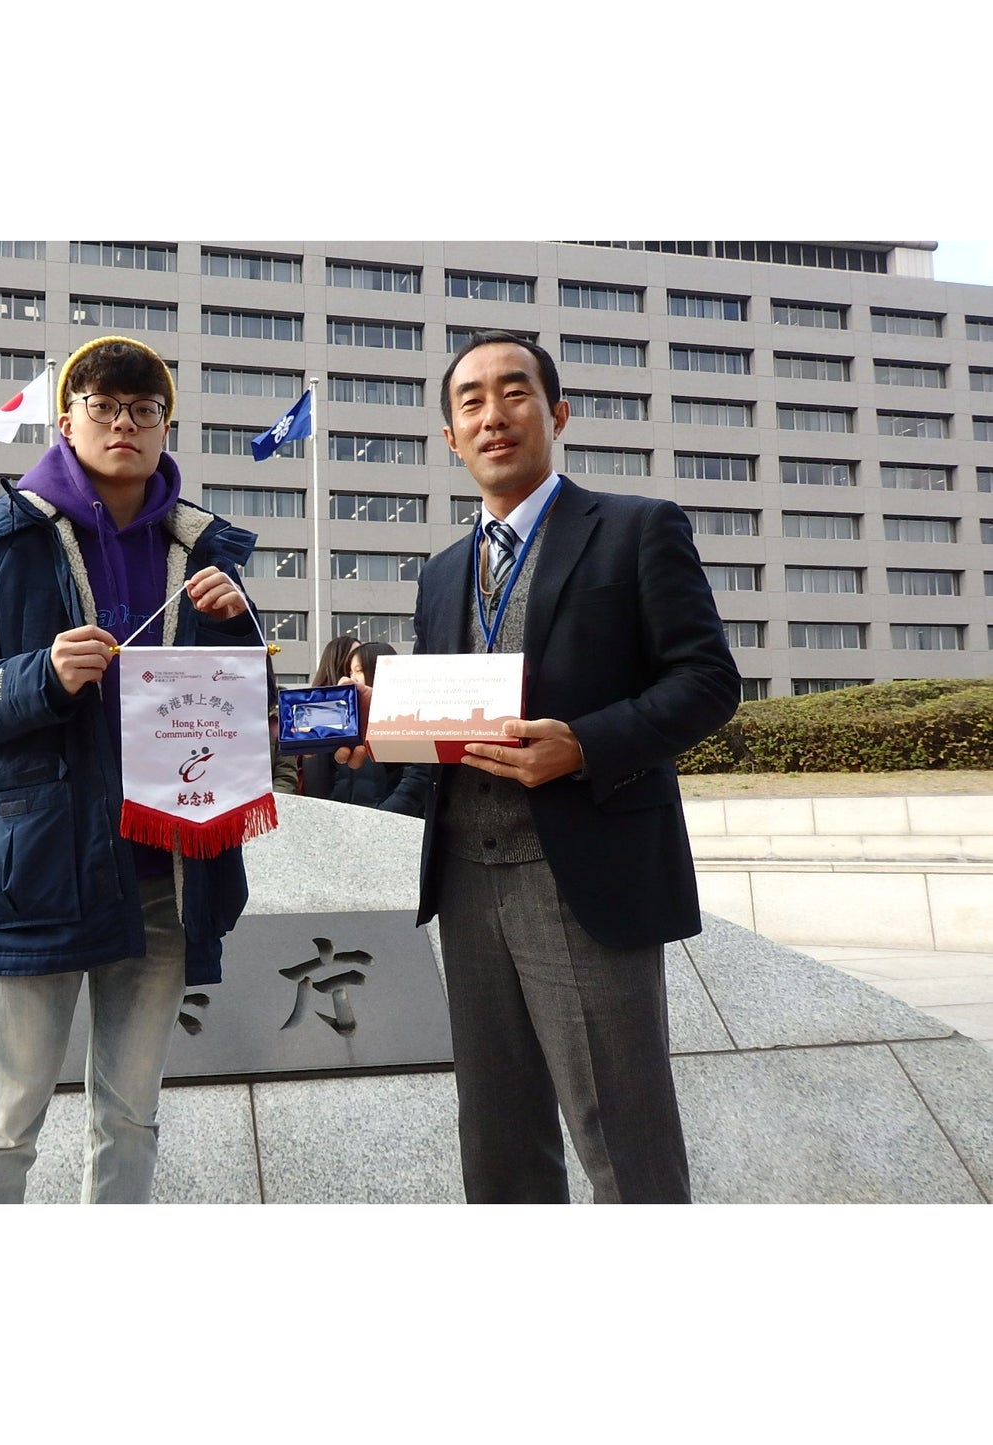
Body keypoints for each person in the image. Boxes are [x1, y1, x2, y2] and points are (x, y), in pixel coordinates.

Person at [341, 331, 741, 1204]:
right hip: (464, 876)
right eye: (470, 402)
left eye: (513, 392)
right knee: (498, 1141)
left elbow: (708, 682)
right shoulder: (441, 572)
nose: (492, 415)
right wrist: (388, 732)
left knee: (623, 1141)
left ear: (556, 413)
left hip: (582, 873)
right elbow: (449, 712)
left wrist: (585, 743)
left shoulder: (636, 528)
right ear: (450, 437)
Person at [0, 334, 259, 1205]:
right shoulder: (5, 540)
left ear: (166, 426)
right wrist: (40, 674)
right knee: (3, 1119)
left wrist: (238, 630)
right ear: (66, 422)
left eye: (143, 410)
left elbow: (243, 718)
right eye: (102, 407)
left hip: (167, 870)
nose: (123, 424)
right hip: (40, 865)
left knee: (131, 1116)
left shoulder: (205, 552)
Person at [302, 642, 427, 815]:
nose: (352, 678)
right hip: (344, 819)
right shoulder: (346, 717)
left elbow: (417, 777)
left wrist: (382, 815)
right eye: (350, 672)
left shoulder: (410, 717)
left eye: (358, 671)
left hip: (389, 820)